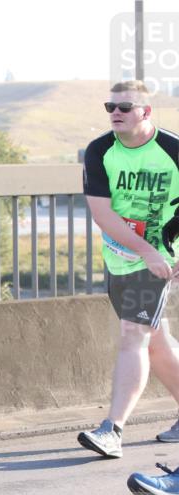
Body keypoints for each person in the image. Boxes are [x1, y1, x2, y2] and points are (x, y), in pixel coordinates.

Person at [77, 80, 179, 458]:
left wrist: (156, 254)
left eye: (125, 107)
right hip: (121, 257)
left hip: (160, 260)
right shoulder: (100, 151)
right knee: (157, 343)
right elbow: (102, 213)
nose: (115, 113)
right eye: (111, 107)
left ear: (145, 112)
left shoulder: (173, 150)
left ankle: (113, 430)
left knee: (133, 335)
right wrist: (142, 251)